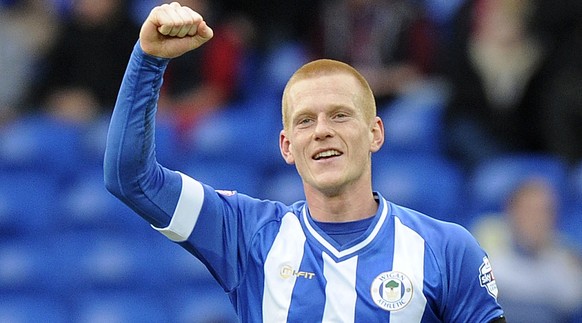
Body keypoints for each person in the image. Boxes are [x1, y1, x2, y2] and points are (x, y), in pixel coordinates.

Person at [104, 2, 506, 322]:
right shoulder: (247, 236)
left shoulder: (449, 250)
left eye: (340, 115)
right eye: (305, 121)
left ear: (375, 133)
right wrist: (148, 59)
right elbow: (131, 178)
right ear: (287, 146)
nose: (321, 131)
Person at [472, 177, 582, 322]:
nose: (538, 220)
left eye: (545, 212)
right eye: (529, 210)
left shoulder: (565, 256)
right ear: (511, 211)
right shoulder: (486, 237)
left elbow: (570, 299)